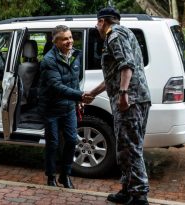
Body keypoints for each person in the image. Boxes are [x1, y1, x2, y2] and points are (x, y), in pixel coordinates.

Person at [87, 7, 152, 205]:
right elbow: (114, 74)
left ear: (102, 21)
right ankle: (127, 190)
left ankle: (140, 196)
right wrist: (93, 93)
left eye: (97, 23)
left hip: (130, 101)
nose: (97, 26)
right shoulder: (126, 33)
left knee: (130, 148)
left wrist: (123, 94)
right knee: (125, 147)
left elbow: (126, 65)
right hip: (136, 98)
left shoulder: (114, 36)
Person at [38, 25, 93, 189]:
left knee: (71, 140)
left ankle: (65, 175)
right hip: (51, 109)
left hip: (69, 107)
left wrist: (78, 100)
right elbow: (56, 86)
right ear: (55, 41)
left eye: (70, 37)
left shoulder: (76, 55)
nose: (69, 41)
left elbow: (76, 79)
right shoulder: (49, 61)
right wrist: (80, 95)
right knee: (53, 143)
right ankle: (50, 176)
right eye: (65, 38)